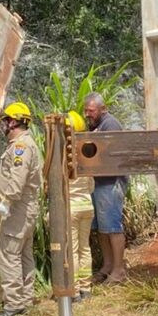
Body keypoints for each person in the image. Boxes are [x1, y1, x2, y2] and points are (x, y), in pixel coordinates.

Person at [0, 101, 43, 316]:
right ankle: (25, 298)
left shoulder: (20, 147)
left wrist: (6, 201)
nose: (3, 125)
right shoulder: (26, 145)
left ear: (13, 122)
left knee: (9, 255)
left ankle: (13, 305)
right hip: (25, 209)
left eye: (5, 121)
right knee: (24, 255)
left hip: (17, 210)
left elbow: (18, 180)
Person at [83, 92, 129, 284]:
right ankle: (108, 266)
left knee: (112, 227)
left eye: (91, 111)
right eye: (85, 111)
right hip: (99, 183)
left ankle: (119, 270)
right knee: (102, 228)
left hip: (111, 183)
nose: (87, 114)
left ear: (103, 109)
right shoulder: (95, 125)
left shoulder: (110, 124)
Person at [66, 110, 95, 301]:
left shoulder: (63, 153)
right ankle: (86, 288)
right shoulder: (87, 150)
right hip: (87, 205)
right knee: (85, 248)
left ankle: (74, 291)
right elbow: (91, 184)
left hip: (71, 207)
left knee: (72, 250)